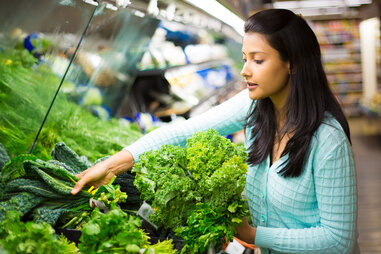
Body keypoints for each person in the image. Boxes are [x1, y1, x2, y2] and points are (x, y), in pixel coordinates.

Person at [71, 9, 359, 254]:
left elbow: (338, 240)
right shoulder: (256, 108)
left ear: (292, 63)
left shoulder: (327, 140)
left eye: (258, 60)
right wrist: (112, 165)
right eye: (245, 58)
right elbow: (184, 132)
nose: (245, 70)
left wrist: (253, 235)